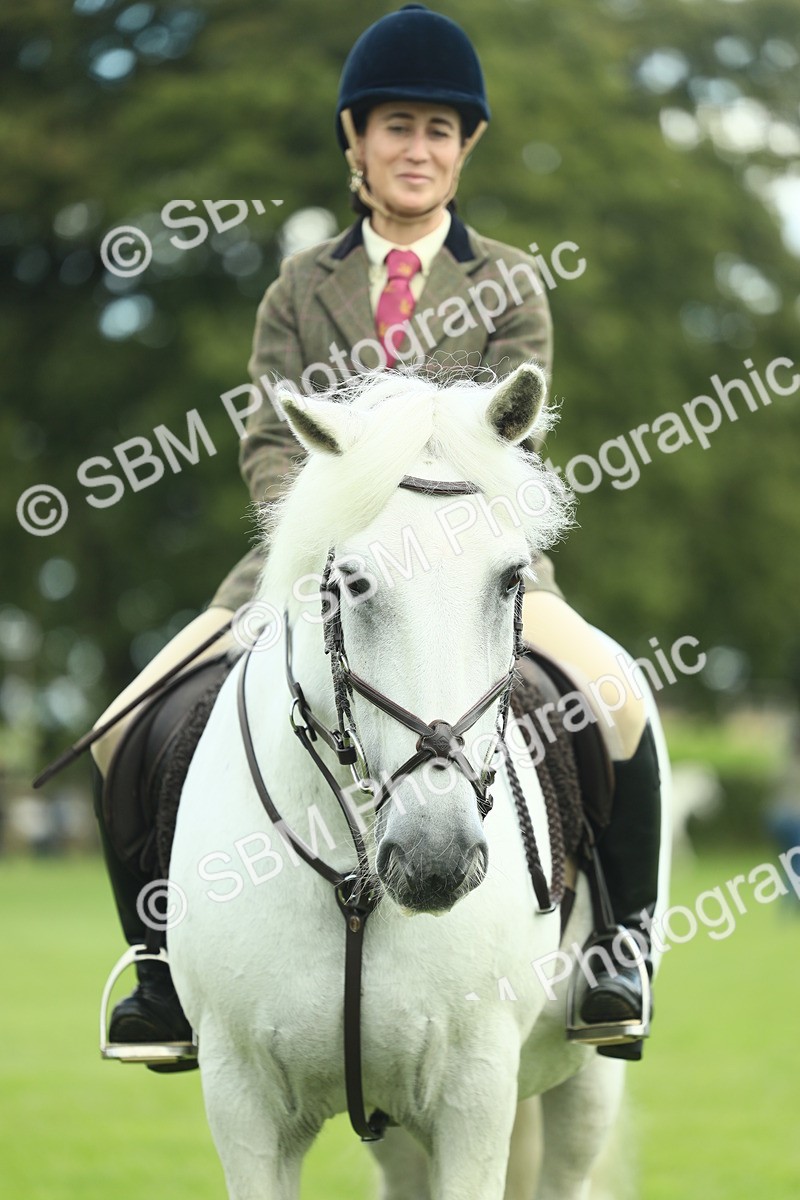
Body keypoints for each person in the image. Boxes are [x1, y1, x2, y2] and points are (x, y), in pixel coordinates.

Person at [92, 4, 661, 1063]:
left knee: (617, 701)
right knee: (122, 727)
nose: (417, 148)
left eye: (439, 130)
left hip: (471, 561)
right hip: (309, 561)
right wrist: (326, 538)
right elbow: (270, 438)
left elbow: (510, 441)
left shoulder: (508, 285)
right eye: (397, 125)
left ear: (466, 146)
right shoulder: (296, 287)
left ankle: (615, 951)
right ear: (355, 138)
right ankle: (161, 976)